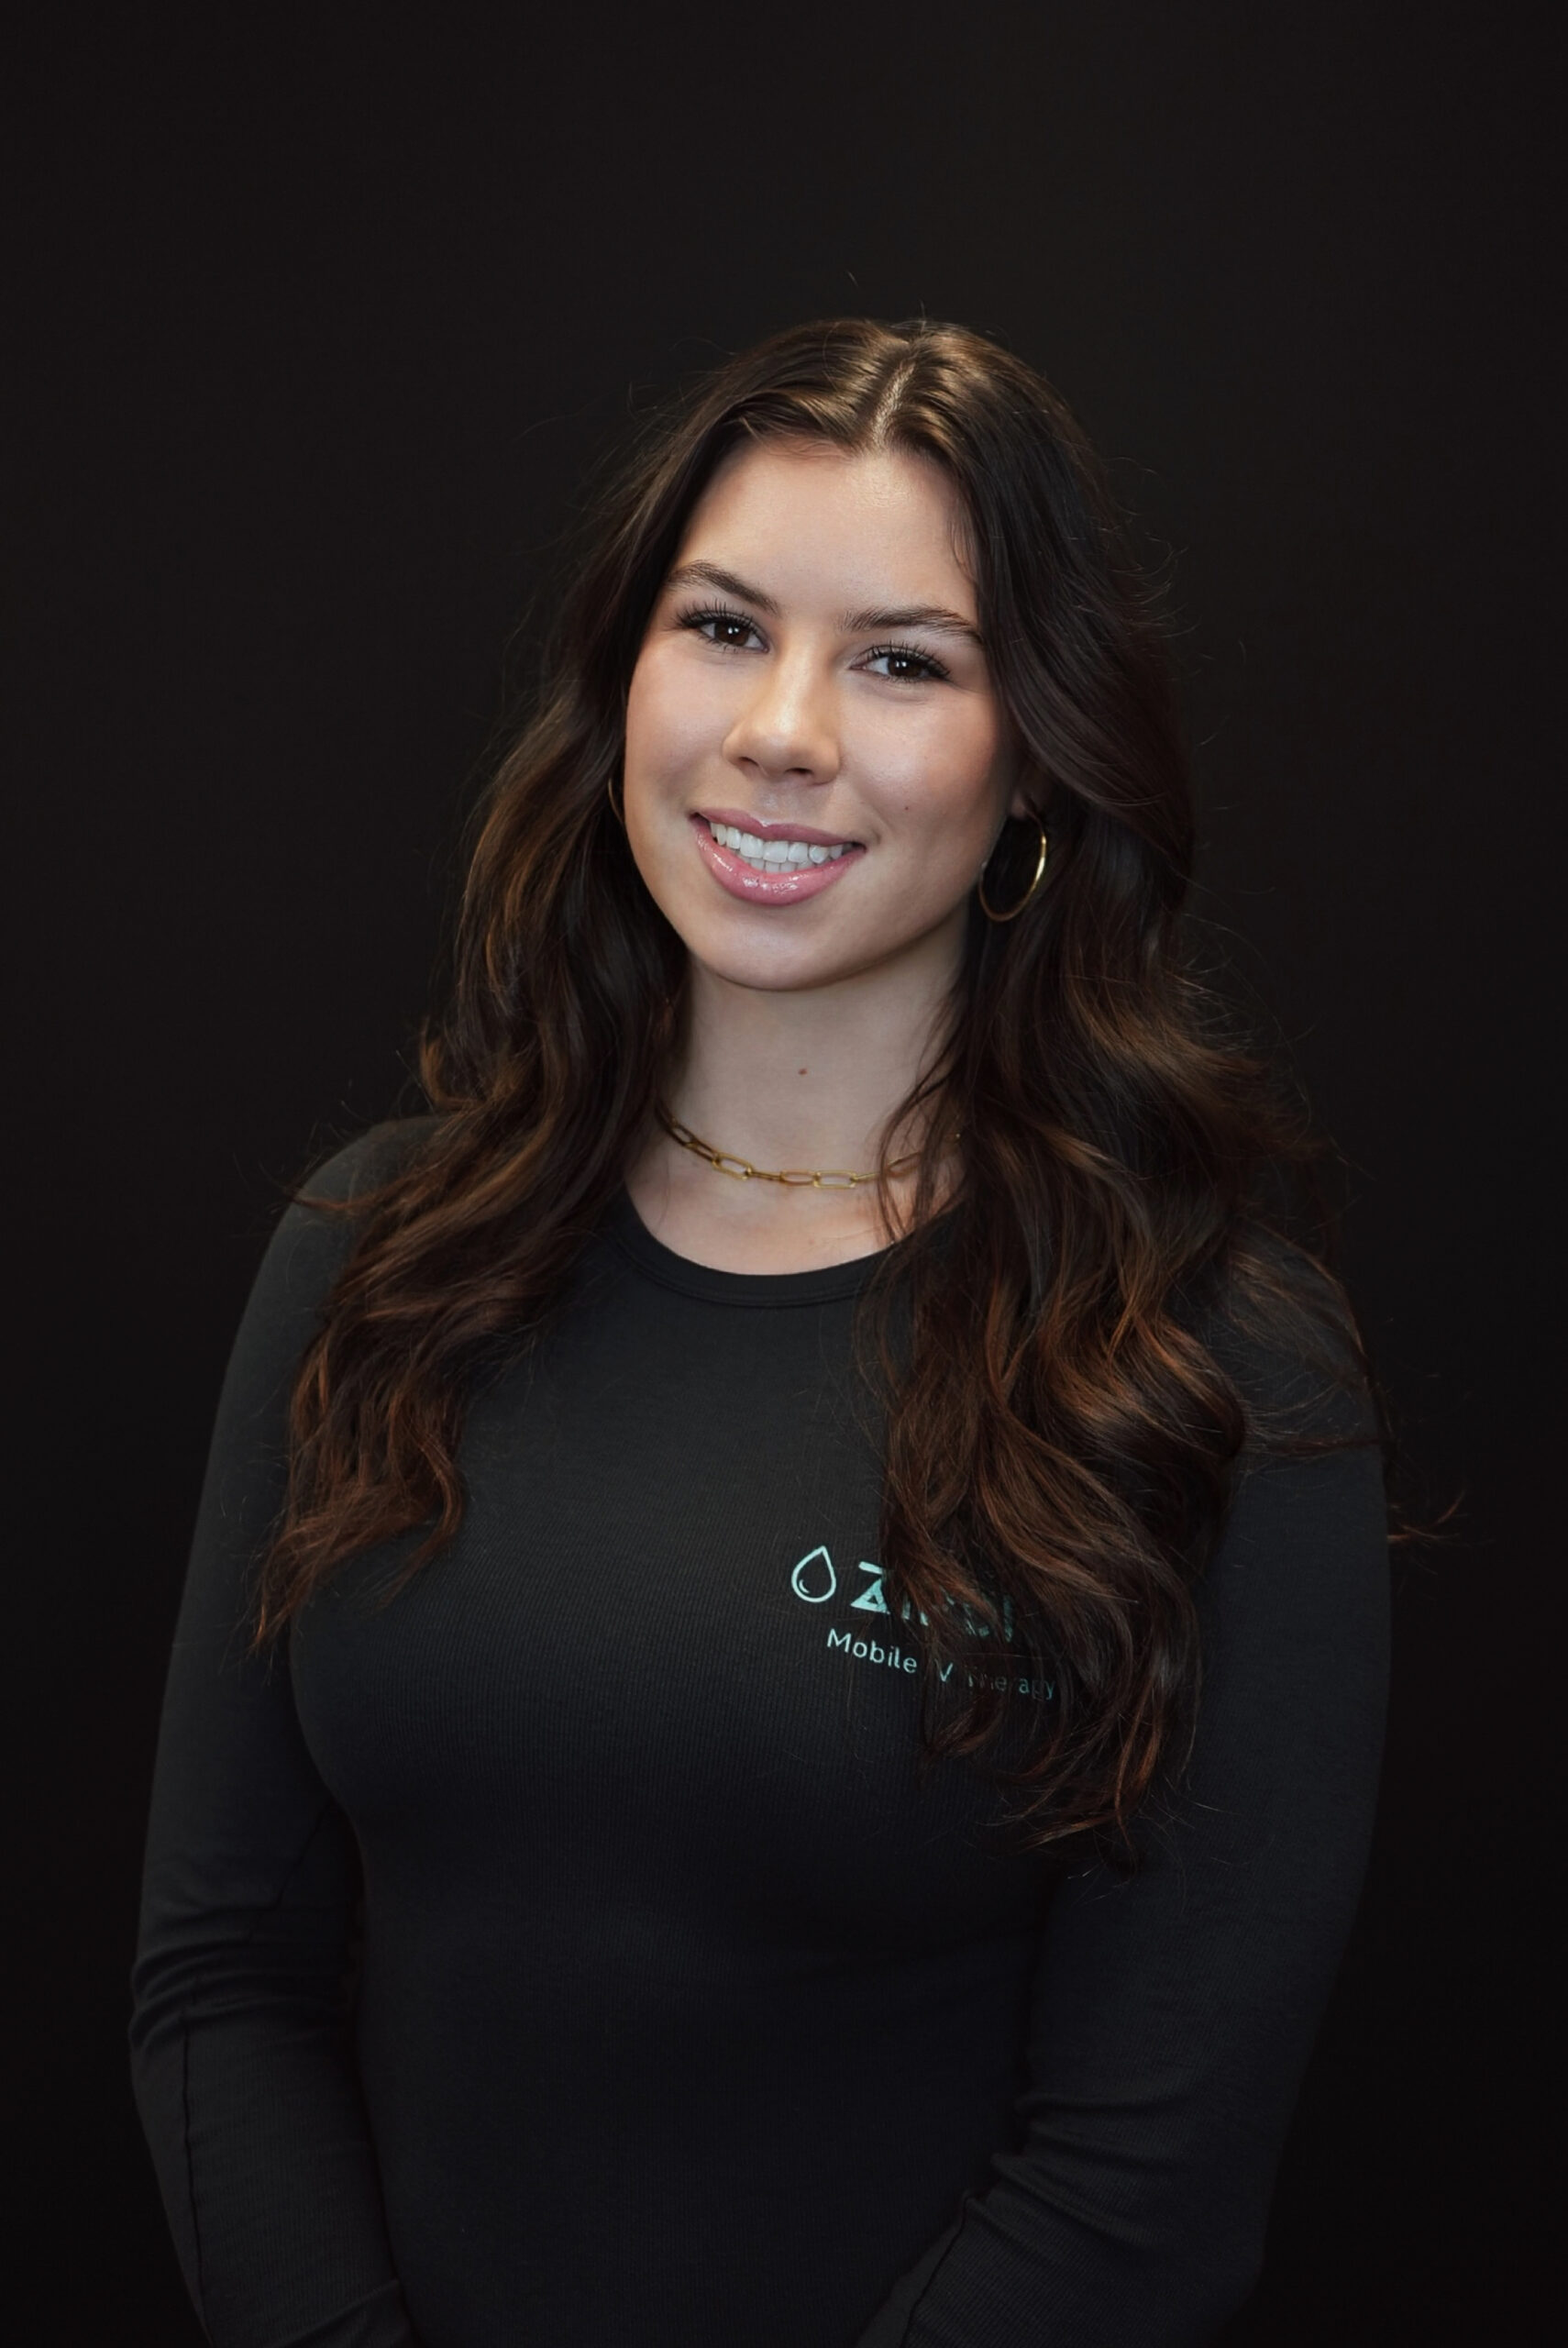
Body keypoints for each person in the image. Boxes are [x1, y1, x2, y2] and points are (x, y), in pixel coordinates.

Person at [129, 316, 1390, 2348]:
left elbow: (1141, 2189)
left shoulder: (1211, 1365)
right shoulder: (379, 1251)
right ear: (624, 681)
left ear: (1037, 753)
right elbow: (217, 1979)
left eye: (903, 662)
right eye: (723, 628)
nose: (783, 729)